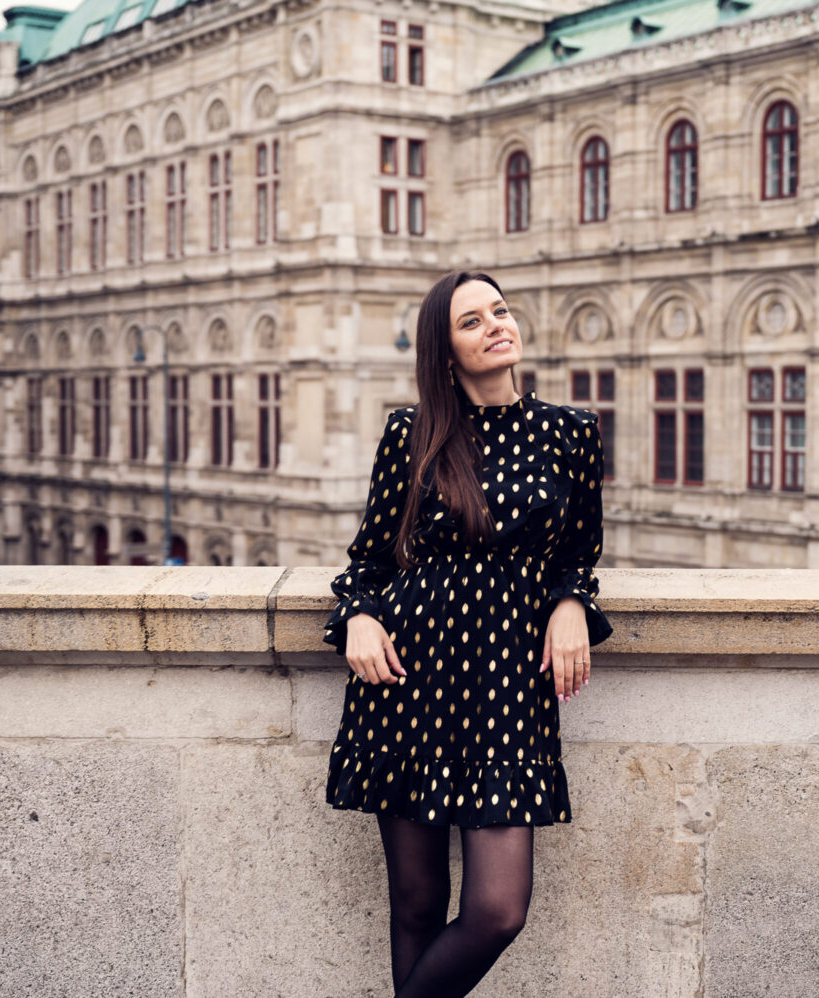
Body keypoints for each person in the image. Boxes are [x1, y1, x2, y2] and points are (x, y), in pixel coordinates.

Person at [322, 270, 613, 996]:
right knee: (417, 906)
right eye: (472, 321)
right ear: (444, 351)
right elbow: (368, 560)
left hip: (508, 687)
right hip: (408, 678)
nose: (495, 326)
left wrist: (571, 602)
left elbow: (579, 550)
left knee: (496, 910)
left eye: (500, 311)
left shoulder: (569, 433)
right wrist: (358, 616)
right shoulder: (411, 434)